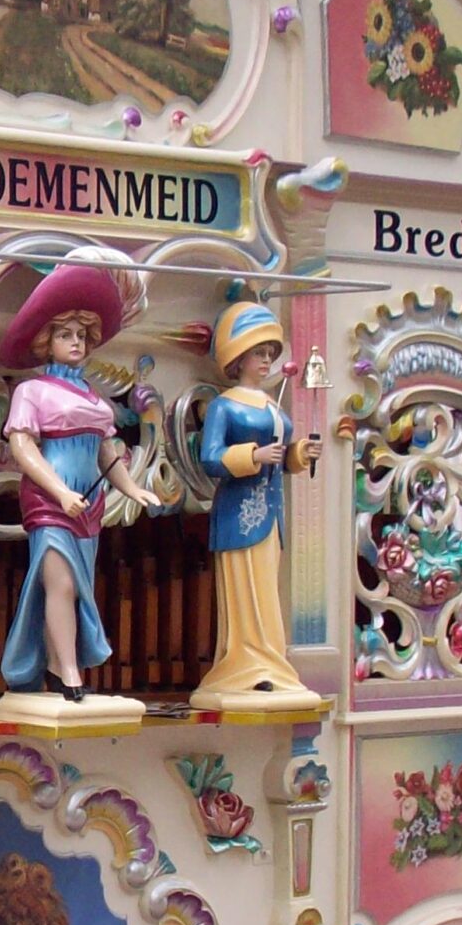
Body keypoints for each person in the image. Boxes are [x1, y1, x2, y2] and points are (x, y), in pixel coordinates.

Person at [0, 260, 164, 716]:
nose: (75, 343)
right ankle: (70, 672)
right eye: (65, 335)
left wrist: (131, 488)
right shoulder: (32, 391)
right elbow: (25, 450)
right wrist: (59, 492)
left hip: (90, 503)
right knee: (62, 583)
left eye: (81, 336)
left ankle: (55, 663)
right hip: (51, 500)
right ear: (46, 341)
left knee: (77, 585)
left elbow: (107, 453)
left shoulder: (95, 397)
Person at [189, 300, 322, 713]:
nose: (265, 362)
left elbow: (284, 459)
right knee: (244, 592)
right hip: (237, 512)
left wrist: (301, 452)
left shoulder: (274, 407)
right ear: (239, 357)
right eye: (258, 354)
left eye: (269, 355)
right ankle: (244, 666)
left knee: (267, 591)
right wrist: (251, 456)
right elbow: (210, 457)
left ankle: (271, 664)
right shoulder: (225, 406)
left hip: (271, 512)